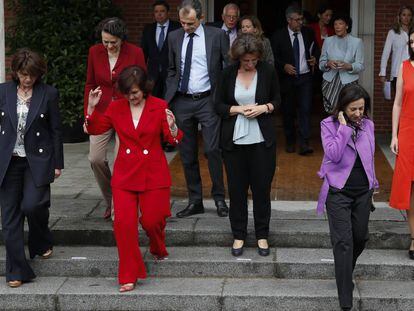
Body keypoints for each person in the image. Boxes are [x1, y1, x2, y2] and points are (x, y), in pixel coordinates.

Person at [85, 65, 182, 292]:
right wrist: (91, 107)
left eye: (136, 93)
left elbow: (172, 139)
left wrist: (173, 125)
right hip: (125, 175)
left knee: (152, 220)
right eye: (128, 93)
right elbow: (96, 128)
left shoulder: (159, 106)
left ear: (145, 89)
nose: (132, 97)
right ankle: (128, 274)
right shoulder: (116, 107)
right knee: (123, 224)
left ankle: (158, 245)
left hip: (153, 172)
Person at [0, 48, 64, 288]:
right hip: (7, 161)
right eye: (23, 74)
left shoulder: (48, 94)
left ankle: (40, 239)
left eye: (32, 75)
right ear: (16, 72)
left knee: (33, 205)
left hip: (36, 160)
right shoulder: (3, 91)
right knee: (10, 218)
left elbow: (56, 130)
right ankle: (16, 270)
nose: (27, 79)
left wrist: (58, 163)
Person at [215, 33, 280, 257]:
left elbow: (278, 99)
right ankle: (239, 235)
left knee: (261, 189)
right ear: (238, 58)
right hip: (234, 141)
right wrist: (238, 109)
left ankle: (262, 235)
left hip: (262, 140)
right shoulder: (227, 73)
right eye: (246, 61)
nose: (250, 64)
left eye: (253, 60)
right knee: (237, 190)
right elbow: (219, 105)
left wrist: (264, 108)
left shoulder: (268, 71)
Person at [165, 0, 229, 218]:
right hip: (182, 101)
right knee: (187, 153)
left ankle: (219, 199)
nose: (186, 28)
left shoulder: (217, 36)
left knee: (212, 150)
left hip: (208, 100)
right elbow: (172, 69)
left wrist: (224, 98)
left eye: (190, 24)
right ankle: (195, 200)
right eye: (183, 23)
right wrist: (168, 101)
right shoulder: (173, 37)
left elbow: (227, 67)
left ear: (201, 18)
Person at [316, 84, 378, 311]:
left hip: (363, 192)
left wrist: (374, 186)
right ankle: (345, 300)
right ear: (342, 107)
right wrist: (343, 129)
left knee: (360, 238)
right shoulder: (328, 125)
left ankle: (344, 272)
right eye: (353, 109)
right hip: (338, 192)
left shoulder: (368, 125)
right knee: (343, 242)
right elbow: (332, 154)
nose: (359, 113)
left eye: (361, 108)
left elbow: (370, 158)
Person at [84, 17, 146, 220]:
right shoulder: (94, 52)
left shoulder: (135, 52)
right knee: (95, 158)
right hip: (101, 110)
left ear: (122, 39)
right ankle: (111, 198)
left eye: (113, 42)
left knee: (124, 158)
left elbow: (143, 84)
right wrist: (88, 114)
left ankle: (121, 203)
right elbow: (90, 84)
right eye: (105, 42)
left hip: (127, 111)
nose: (109, 46)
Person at [271, 6, 319, 155]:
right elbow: (273, 58)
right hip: (288, 80)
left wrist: (314, 58)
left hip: (305, 78)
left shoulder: (308, 32)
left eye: (301, 19)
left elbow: (315, 49)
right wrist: (283, 66)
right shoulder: (278, 36)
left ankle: (304, 142)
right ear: (289, 20)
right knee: (288, 111)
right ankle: (290, 140)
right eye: (297, 20)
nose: (300, 22)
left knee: (305, 110)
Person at [389, 30, 414, 260]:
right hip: (407, 130)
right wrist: (395, 135)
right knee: (410, 186)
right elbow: (397, 103)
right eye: (413, 41)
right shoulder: (404, 67)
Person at [319, 14, 364, 114]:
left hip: (349, 82)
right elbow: (321, 63)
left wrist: (348, 66)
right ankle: (334, 130)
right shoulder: (328, 41)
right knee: (332, 112)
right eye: (335, 24)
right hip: (330, 81)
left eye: (340, 24)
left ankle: (346, 130)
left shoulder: (357, 42)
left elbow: (361, 65)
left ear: (347, 26)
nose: (337, 26)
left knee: (348, 111)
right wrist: (328, 63)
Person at [141, 0, 181, 98]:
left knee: (170, 100)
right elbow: (144, 52)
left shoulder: (177, 27)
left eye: (162, 11)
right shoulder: (148, 29)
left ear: (168, 12)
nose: (159, 14)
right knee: (153, 100)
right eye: (156, 12)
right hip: (152, 74)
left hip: (171, 72)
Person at [379, 5, 413, 91]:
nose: (406, 18)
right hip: (398, 73)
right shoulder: (393, 33)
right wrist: (383, 73)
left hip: (412, 72)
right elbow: (386, 54)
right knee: (399, 101)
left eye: (409, 15)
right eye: (404, 15)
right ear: (399, 17)